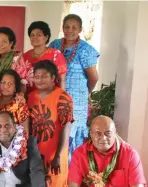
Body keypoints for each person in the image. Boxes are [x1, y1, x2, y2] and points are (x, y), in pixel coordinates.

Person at [49, 14, 99, 160]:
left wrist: (84, 93)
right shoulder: (55, 45)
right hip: (55, 98)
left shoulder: (86, 50)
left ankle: (71, 176)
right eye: (66, 27)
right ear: (62, 27)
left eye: (74, 27)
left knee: (72, 142)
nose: (69, 30)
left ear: (80, 29)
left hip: (76, 103)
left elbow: (93, 78)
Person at [27, 60, 74, 187]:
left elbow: (66, 126)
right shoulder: (31, 97)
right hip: (35, 152)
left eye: (44, 76)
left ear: (53, 77)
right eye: (37, 76)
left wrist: (58, 155)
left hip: (55, 153)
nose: (40, 80)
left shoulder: (63, 97)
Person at [68, 116, 146, 187]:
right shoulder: (79, 154)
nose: (103, 138)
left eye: (108, 133)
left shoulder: (130, 154)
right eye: (97, 134)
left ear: (115, 134)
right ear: (91, 135)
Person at [0, 112, 45, 187]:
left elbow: (36, 171)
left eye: (7, 126)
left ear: (14, 126)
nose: (3, 130)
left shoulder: (28, 142)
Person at [21, 21, 67, 94]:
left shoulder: (55, 54)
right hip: (29, 98)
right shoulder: (25, 56)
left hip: (50, 97)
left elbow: (62, 79)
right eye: (32, 35)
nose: (34, 37)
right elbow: (22, 81)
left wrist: (61, 98)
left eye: (38, 35)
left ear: (46, 37)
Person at [0, 27, 28, 99]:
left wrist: (20, 97)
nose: (0, 44)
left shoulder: (16, 57)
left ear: (11, 43)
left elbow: (22, 81)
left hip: (11, 98)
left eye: (4, 42)